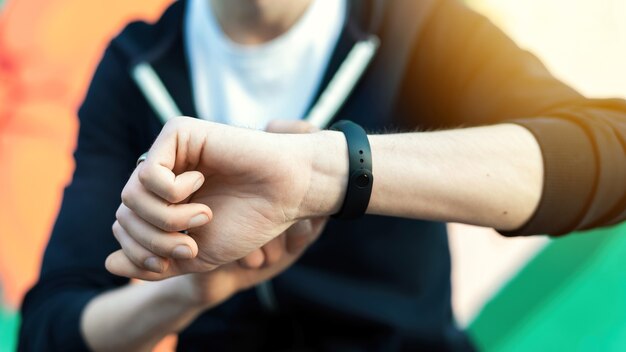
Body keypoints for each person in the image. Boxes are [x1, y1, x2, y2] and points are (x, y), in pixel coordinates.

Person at [20, 0, 626, 351]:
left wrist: (323, 172)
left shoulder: (413, 23)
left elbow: (608, 155)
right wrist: (192, 291)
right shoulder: (133, 67)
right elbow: (51, 329)